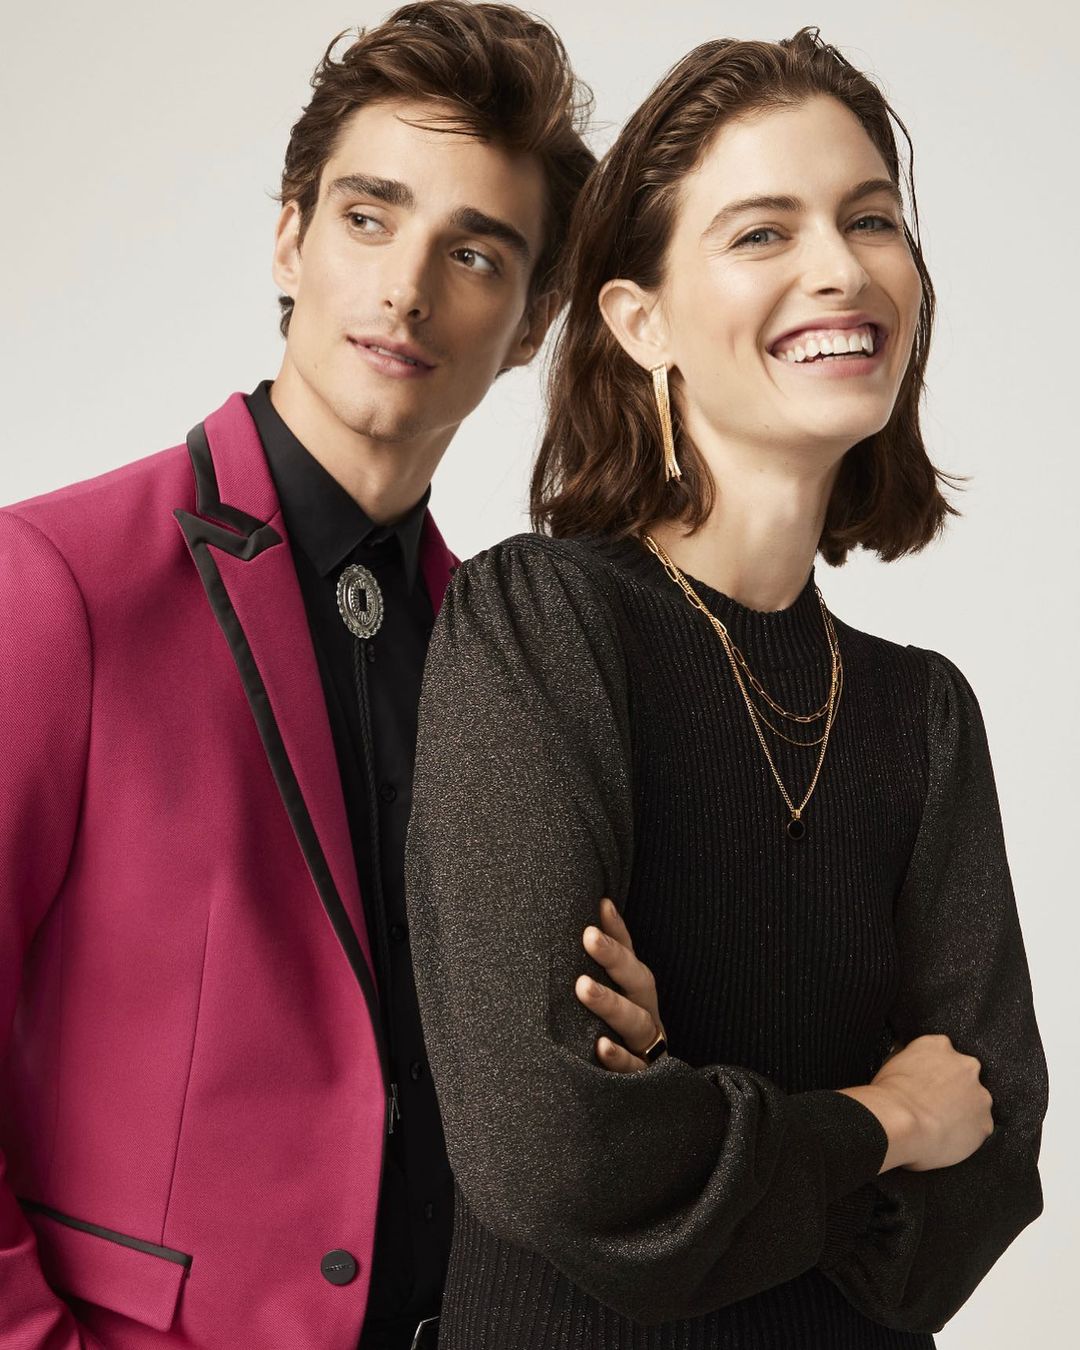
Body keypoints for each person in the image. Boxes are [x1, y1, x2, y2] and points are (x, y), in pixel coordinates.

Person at [0, 5, 667, 1347]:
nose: (406, 290)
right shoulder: (58, 583)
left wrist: (627, 1056)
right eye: (369, 218)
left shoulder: (513, 659)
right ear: (290, 240)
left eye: (472, 253)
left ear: (533, 321)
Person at [404, 25, 1049, 1349]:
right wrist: (883, 1118)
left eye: (870, 219)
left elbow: (983, 1176)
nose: (841, 267)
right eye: (763, 232)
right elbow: (554, 1153)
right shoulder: (541, 623)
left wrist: (696, 1116)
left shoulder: (924, 716)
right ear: (640, 321)